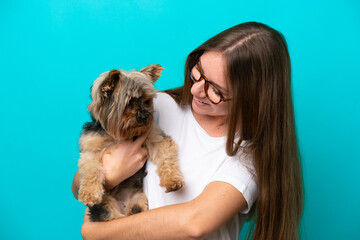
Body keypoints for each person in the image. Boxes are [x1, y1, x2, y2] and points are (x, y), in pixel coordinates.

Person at [72, 21, 303, 240]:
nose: (196, 90)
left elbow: (194, 223)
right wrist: (110, 176)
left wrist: (95, 233)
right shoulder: (156, 106)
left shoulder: (249, 155)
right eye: (198, 73)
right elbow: (78, 185)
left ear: (252, 98)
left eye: (215, 89)